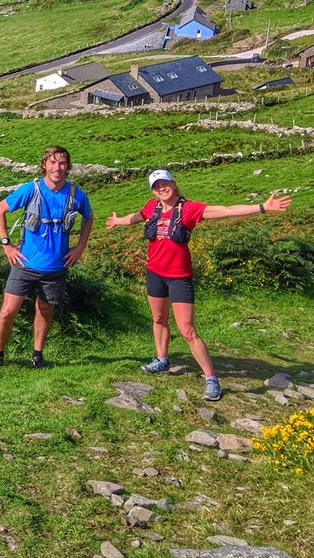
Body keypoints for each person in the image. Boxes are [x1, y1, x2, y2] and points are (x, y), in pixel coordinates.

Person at [106, 169, 291, 402]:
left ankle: (211, 379)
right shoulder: (151, 207)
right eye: (156, 186)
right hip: (154, 274)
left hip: (179, 277)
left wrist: (262, 207)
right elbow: (134, 217)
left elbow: (225, 211)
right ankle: (162, 360)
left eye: (165, 183)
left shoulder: (189, 208)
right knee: (158, 319)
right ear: (153, 191)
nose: (161, 188)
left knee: (187, 330)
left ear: (173, 184)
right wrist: (117, 221)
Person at [0, 146, 93, 369]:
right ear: (44, 164)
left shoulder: (76, 195)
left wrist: (79, 248)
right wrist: (6, 244)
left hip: (55, 266)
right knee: (7, 311)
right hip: (24, 263)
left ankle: (37, 355)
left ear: (68, 166)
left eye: (62, 163)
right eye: (53, 162)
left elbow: (89, 217)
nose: (57, 167)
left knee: (45, 311)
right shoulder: (31, 189)